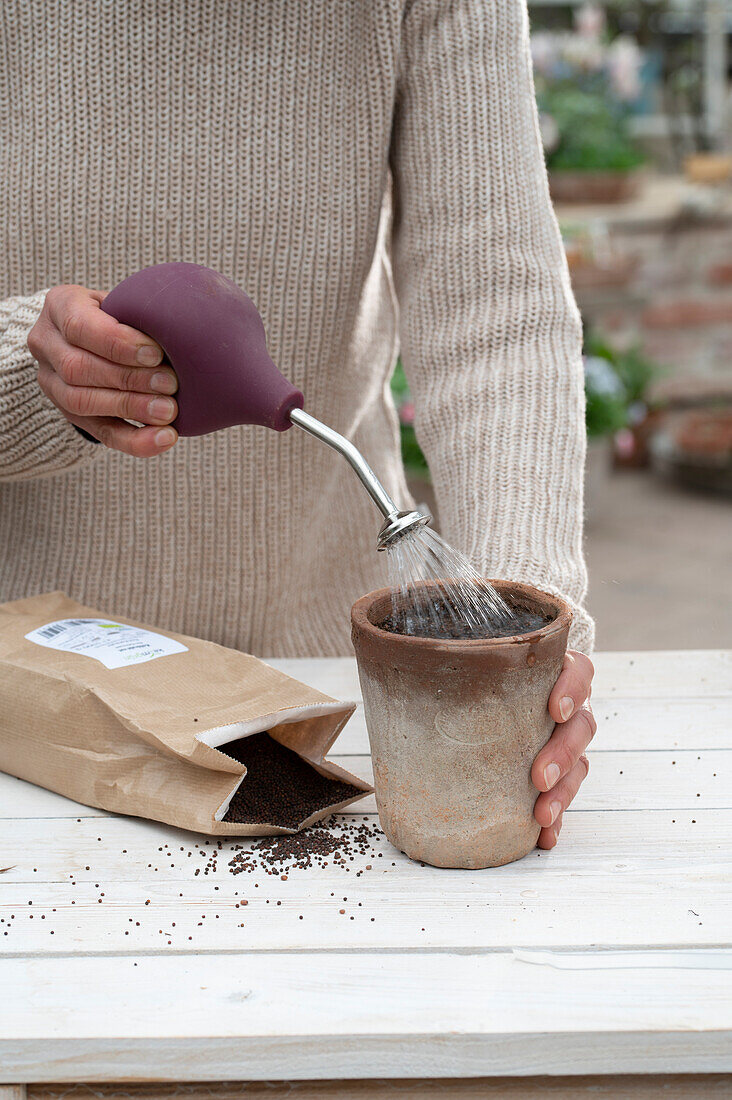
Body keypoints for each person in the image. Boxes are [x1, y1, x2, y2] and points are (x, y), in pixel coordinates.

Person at [0, 0, 595, 848]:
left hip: (327, 702)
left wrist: (526, 634)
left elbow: (493, 310)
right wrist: (34, 372)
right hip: (27, 707)